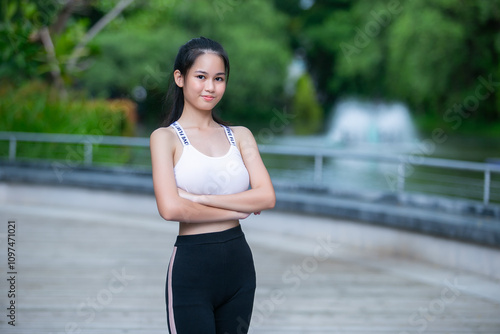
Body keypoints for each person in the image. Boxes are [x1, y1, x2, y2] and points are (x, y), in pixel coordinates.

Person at [150, 36, 276, 334]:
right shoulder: (165, 138)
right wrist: (239, 208)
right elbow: (170, 208)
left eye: (219, 79)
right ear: (180, 78)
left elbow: (266, 196)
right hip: (192, 269)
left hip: (239, 267)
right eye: (201, 77)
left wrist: (199, 198)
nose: (210, 87)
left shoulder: (240, 136)